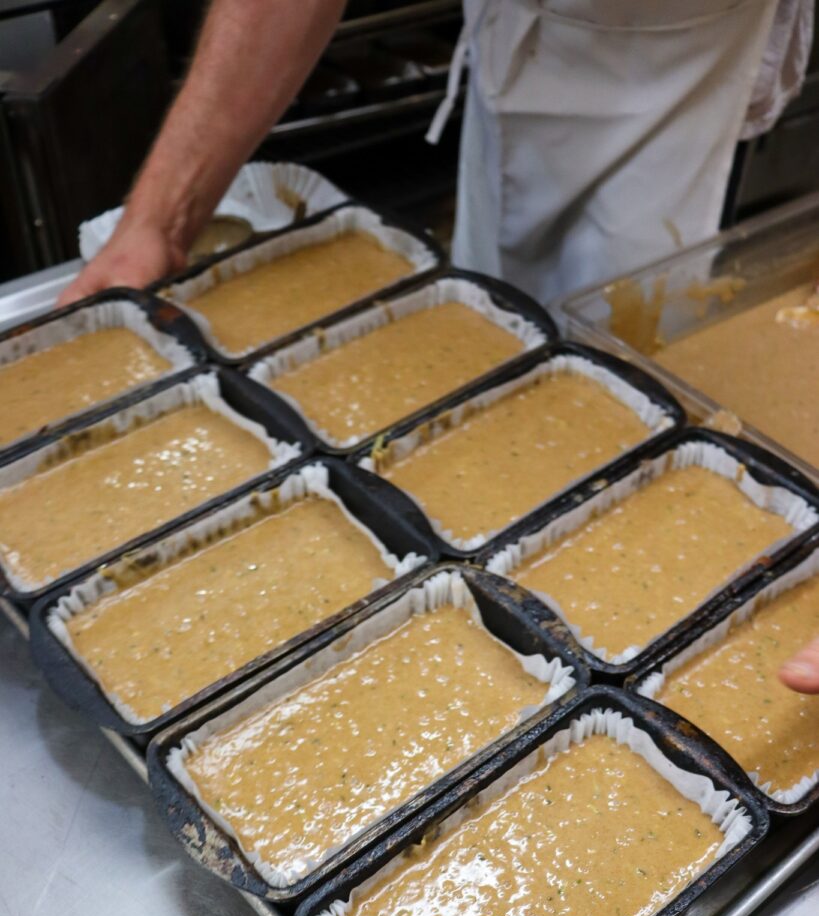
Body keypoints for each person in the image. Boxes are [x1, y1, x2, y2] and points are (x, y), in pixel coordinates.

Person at [58, 0, 818, 688]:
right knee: (498, 363)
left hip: (695, 45)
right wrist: (158, 220)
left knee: (632, 378)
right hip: (535, 38)